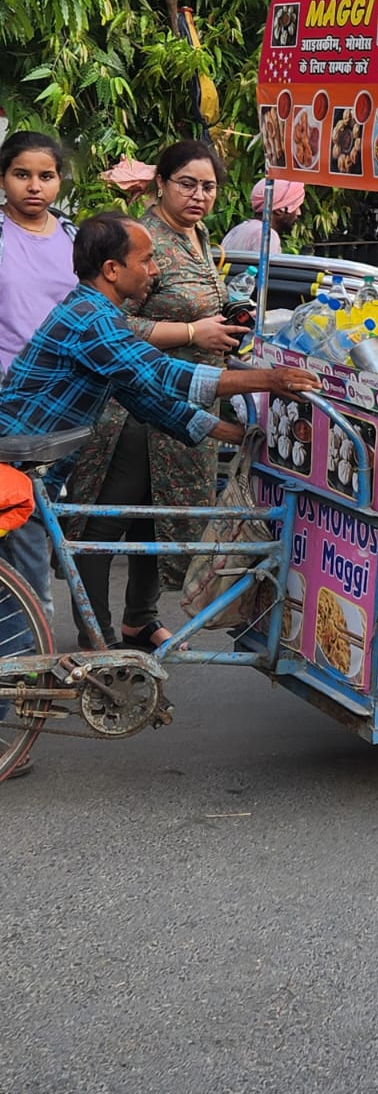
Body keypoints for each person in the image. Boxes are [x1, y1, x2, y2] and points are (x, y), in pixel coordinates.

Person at [0, 213, 316, 750]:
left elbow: (144, 396)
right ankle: (11, 722)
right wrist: (269, 379)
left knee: (33, 594)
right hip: (16, 470)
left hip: (35, 465)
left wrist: (230, 433)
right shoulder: (91, 320)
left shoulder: (99, 315)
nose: (154, 270)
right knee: (26, 607)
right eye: (146, 261)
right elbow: (164, 374)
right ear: (111, 269)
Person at [67, 141, 245, 648]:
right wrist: (192, 335)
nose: (199, 195)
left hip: (191, 402)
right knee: (107, 521)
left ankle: (139, 621)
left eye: (208, 186)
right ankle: (95, 636)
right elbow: (112, 325)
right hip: (136, 405)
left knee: (158, 520)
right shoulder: (142, 241)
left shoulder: (197, 236)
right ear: (161, 183)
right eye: (187, 183)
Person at [0, 131, 79, 622]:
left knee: (37, 521)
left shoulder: (74, 237)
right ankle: (32, 647)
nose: (35, 186)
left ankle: (28, 643)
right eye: (21, 174)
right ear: (3, 178)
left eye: (46, 176)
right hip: (7, 401)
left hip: (62, 403)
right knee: (22, 521)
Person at [221, 178, 307, 256]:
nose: (299, 213)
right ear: (279, 210)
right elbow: (267, 272)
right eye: (296, 207)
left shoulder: (238, 230)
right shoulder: (266, 235)